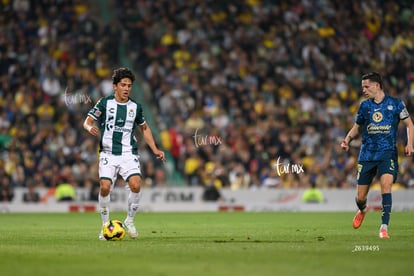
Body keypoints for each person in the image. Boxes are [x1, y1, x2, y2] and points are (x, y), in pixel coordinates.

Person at [83, 67, 166, 240]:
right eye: (123, 85)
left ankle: (129, 220)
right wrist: (90, 127)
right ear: (115, 86)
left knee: (136, 184)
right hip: (108, 153)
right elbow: (88, 121)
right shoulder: (105, 103)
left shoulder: (135, 107)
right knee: (105, 187)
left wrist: (155, 149)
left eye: (129, 85)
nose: (127, 88)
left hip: (129, 153)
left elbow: (144, 128)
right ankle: (105, 225)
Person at [341, 72, 414, 239]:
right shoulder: (364, 106)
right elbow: (357, 127)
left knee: (386, 185)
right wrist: (347, 139)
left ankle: (383, 227)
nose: (364, 90)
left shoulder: (396, 104)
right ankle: (362, 209)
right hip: (367, 154)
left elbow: (409, 124)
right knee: (360, 197)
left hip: (387, 153)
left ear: (377, 86)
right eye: (362, 87)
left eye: (366, 87)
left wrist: (410, 143)